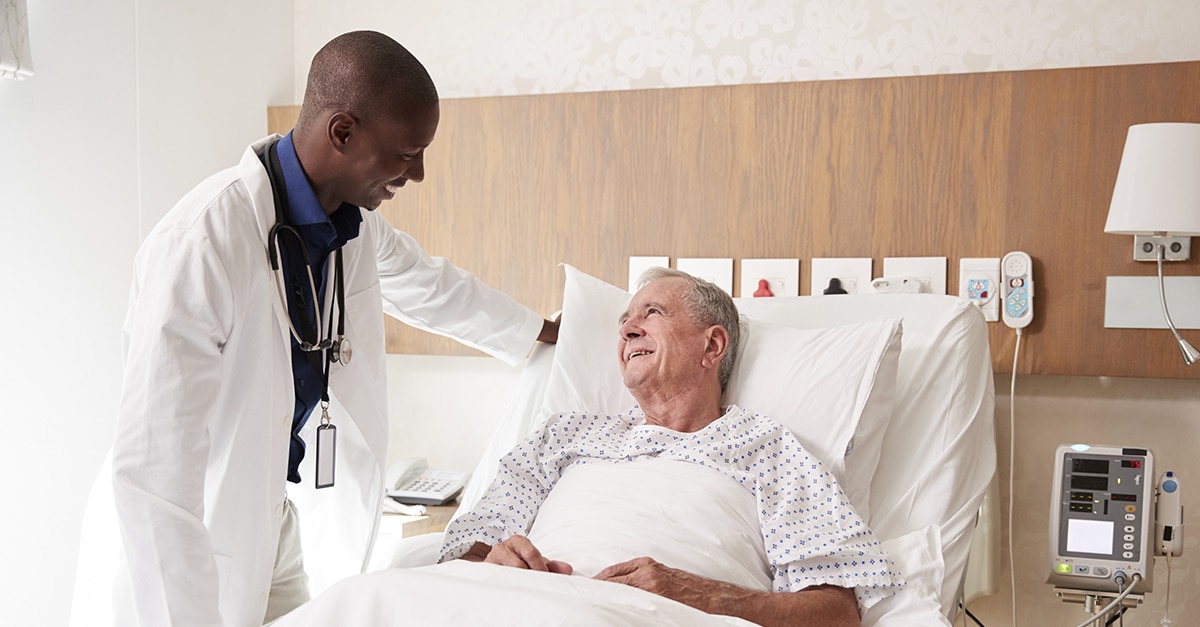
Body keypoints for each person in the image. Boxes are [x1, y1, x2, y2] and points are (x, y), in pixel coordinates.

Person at [83, 31, 558, 627]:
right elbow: (154, 478)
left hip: (274, 522)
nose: (418, 173)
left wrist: (543, 331)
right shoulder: (201, 244)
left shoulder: (349, 225)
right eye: (407, 152)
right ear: (342, 132)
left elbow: (431, 286)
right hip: (190, 536)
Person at [439, 268, 902, 627]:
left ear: (712, 345)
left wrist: (705, 596)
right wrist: (492, 564)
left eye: (652, 314)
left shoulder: (770, 450)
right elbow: (464, 556)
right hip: (517, 610)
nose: (628, 331)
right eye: (624, 322)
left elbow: (837, 613)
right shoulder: (563, 435)